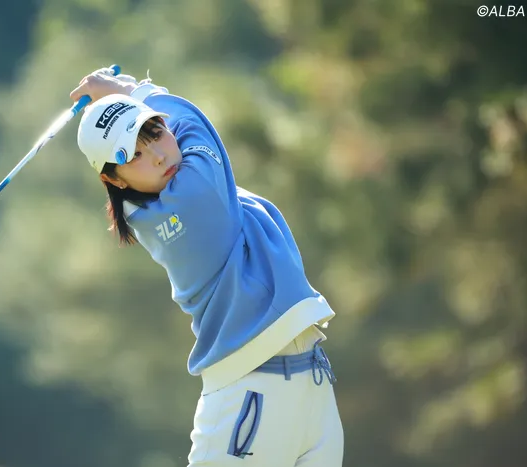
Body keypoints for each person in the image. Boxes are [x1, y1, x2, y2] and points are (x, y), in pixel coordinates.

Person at [70, 67, 344, 466]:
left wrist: (129, 100)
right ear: (116, 179)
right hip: (250, 396)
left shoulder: (182, 194)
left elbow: (181, 131)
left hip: (309, 381)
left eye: (155, 133)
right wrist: (135, 91)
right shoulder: (190, 197)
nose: (159, 154)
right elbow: (194, 125)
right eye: (135, 155)